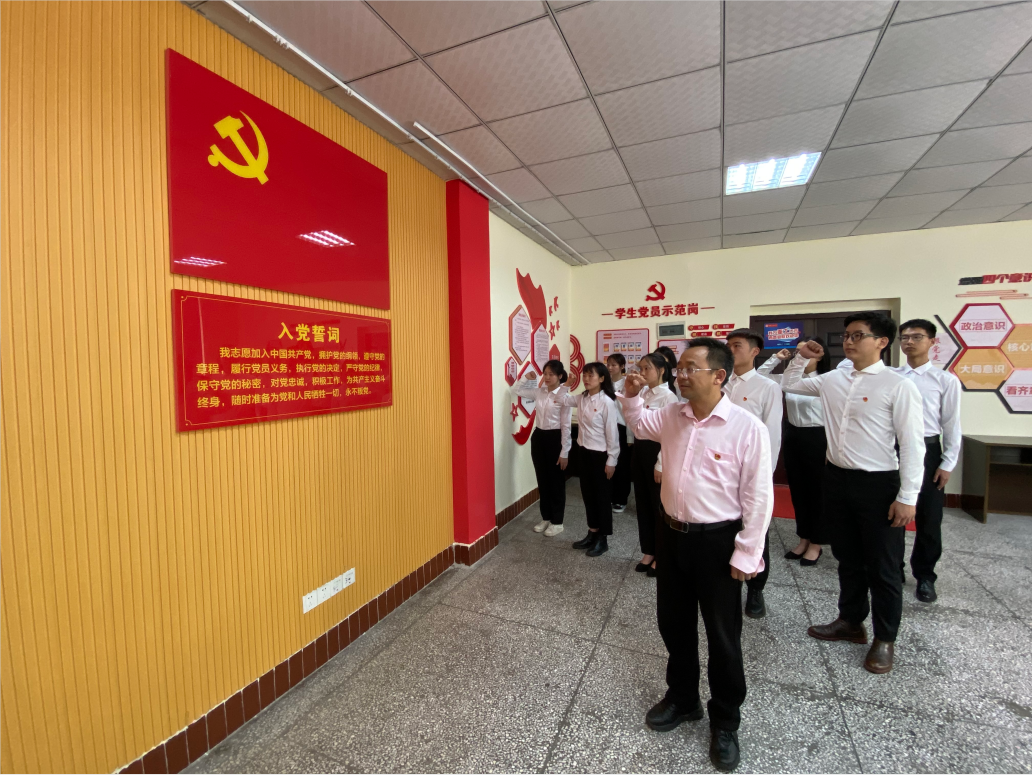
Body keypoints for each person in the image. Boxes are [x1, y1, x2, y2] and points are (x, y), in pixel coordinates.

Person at [621, 338, 773, 772]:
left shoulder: (747, 428)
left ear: (719, 376)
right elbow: (640, 425)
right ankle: (683, 698)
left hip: (718, 542)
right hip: (672, 536)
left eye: (691, 368)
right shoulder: (673, 414)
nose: (681, 375)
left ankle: (725, 720)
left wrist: (748, 553)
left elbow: (758, 497)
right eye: (680, 368)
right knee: (674, 623)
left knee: (723, 636)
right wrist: (630, 397)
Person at [782, 313, 924, 675]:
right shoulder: (833, 379)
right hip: (836, 479)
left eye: (858, 335)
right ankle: (851, 622)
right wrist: (802, 357)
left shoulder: (898, 385)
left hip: (878, 485)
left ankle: (885, 638)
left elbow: (912, 444)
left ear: (881, 342)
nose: (848, 341)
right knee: (848, 558)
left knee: (883, 566)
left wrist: (908, 496)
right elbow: (790, 384)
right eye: (846, 335)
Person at [896, 319, 962, 603]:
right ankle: (893, 568)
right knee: (891, 512)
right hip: (894, 449)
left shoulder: (945, 380)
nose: (909, 342)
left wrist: (947, 463)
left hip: (928, 450)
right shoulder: (892, 376)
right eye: (904, 337)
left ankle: (925, 575)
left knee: (929, 516)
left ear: (932, 342)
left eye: (917, 337)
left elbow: (952, 424)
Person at [723, 329, 783, 619]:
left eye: (737, 346)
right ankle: (726, 581)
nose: (731, 350)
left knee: (756, 529)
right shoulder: (720, 382)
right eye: (728, 346)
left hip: (751, 473)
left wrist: (764, 478)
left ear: (755, 351)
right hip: (721, 471)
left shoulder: (767, 387)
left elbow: (772, 436)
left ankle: (756, 589)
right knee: (724, 528)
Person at [757, 337, 832, 566]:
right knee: (799, 492)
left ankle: (816, 543)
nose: (802, 356)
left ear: (820, 355)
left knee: (818, 493)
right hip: (794, 436)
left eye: (808, 352)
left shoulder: (826, 380)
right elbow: (759, 377)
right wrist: (775, 358)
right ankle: (803, 538)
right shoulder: (789, 379)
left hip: (819, 438)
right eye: (799, 352)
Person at [559, 362, 619, 556]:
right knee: (588, 495)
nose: (586, 379)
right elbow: (560, 399)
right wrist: (567, 384)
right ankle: (592, 532)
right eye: (584, 375)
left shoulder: (607, 402)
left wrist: (612, 460)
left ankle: (603, 538)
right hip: (583, 452)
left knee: (602, 497)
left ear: (601, 378)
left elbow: (612, 433)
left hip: (601, 455)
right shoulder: (582, 398)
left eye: (590, 375)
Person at [630, 353, 679, 576]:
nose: (642, 373)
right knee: (642, 503)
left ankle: (662, 554)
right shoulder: (642, 393)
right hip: (639, 449)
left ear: (661, 370)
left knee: (658, 507)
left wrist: (661, 463)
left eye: (646, 368)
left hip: (657, 452)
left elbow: (671, 434)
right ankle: (648, 550)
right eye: (640, 368)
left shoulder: (669, 397)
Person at [517, 360, 573, 537]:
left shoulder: (564, 396)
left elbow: (566, 426)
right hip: (539, 437)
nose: (547, 377)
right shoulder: (539, 392)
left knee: (556, 481)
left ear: (560, 376)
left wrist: (564, 451)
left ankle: (557, 522)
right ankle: (546, 517)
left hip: (555, 438)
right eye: (545, 374)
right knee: (542, 479)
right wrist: (526, 378)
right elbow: (516, 390)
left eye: (551, 374)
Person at [606, 354, 634, 513]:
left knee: (622, 465)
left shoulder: (627, 383)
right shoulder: (605, 383)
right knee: (608, 462)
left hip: (622, 428)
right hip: (606, 427)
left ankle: (621, 499)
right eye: (608, 364)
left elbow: (630, 410)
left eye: (614, 365)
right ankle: (609, 495)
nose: (610, 368)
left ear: (622, 366)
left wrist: (630, 435)